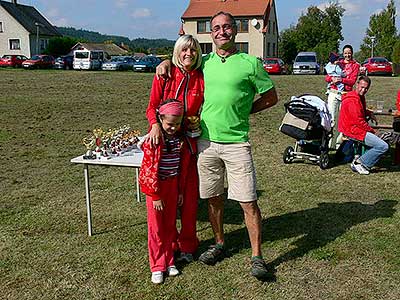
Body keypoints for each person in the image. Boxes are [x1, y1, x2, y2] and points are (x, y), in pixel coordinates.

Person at [157, 11, 278, 280]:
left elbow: (271, 97)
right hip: (205, 143)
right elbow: (182, 62)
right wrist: (164, 61)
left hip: (237, 144)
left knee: (248, 201)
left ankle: (257, 257)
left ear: (235, 30)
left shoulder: (250, 63)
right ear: (211, 34)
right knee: (213, 198)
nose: (222, 32)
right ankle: (220, 242)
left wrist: (246, 110)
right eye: (216, 28)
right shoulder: (205, 62)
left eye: (226, 27)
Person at [146, 34, 204, 263]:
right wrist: (154, 126)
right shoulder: (165, 74)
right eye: (184, 50)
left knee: (189, 201)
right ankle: (167, 247)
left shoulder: (201, 77)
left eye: (193, 50)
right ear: (177, 52)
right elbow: (151, 107)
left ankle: (188, 245)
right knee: (166, 201)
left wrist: (196, 120)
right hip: (165, 149)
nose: (188, 54)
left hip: (189, 147)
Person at [139, 100, 186, 284]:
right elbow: (148, 170)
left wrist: (179, 191)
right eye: (169, 124)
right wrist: (155, 195)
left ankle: (169, 260)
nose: (173, 127)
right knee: (156, 227)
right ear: (160, 119)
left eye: (177, 124)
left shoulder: (177, 140)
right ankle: (157, 265)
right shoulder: (154, 140)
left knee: (169, 225)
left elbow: (179, 168)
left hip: (172, 187)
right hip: (156, 189)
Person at [338, 76, 389, 175]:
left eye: (366, 88)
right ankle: (360, 163)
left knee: (381, 142)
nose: (363, 90)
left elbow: (359, 112)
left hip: (355, 128)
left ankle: (361, 159)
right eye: (361, 87)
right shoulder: (352, 100)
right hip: (353, 130)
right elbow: (358, 121)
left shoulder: (359, 97)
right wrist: (373, 132)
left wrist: (368, 112)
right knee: (383, 146)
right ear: (357, 85)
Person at [325, 44, 360, 149]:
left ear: (352, 53)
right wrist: (332, 79)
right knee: (331, 118)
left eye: (349, 53)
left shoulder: (355, 65)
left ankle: (338, 144)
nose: (347, 55)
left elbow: (352, 81)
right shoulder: (337, 63)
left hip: (346, 95)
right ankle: (328, 142)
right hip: (333, 92)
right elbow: (327, 77)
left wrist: (341, 80)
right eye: (345, 53)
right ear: (343, 54)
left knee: (343, 120)